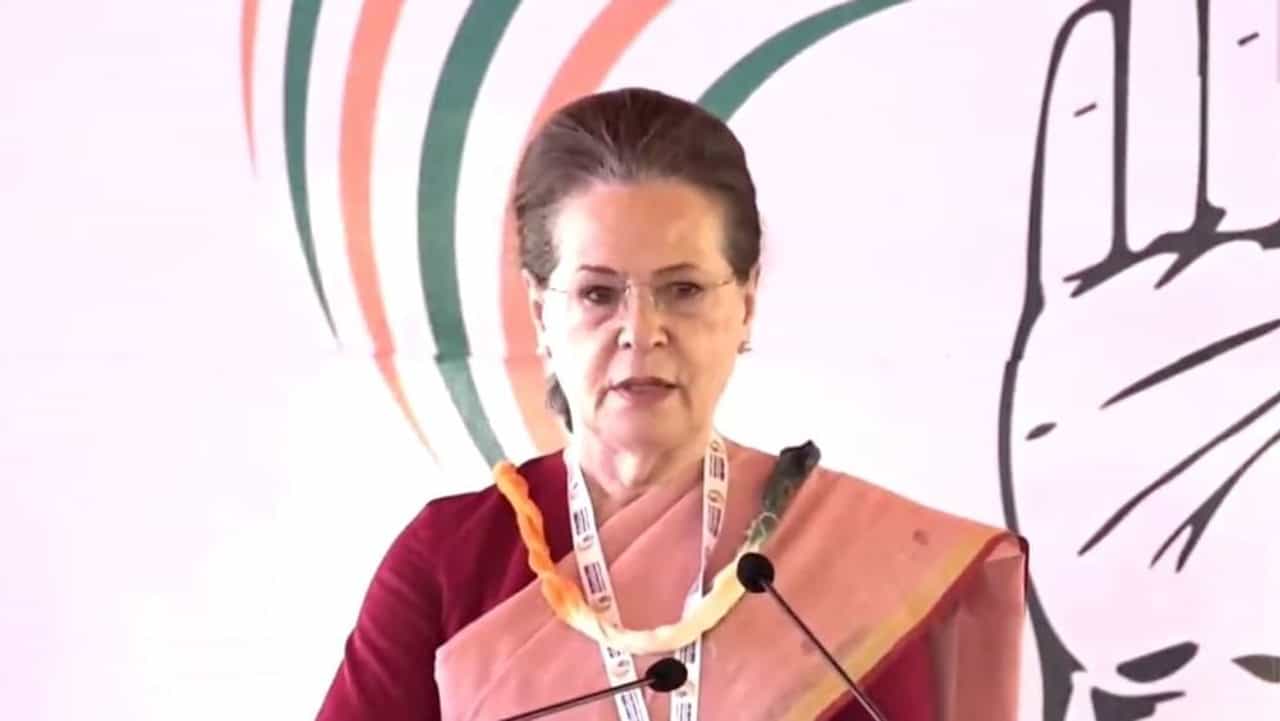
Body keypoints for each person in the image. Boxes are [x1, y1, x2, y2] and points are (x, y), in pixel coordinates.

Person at [315, 87, 1028, 721]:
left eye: (683, 289)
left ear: (746, 303)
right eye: (598, 293)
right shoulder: (450, 561)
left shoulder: (855, 562)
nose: (641, 330)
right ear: (540, 311)